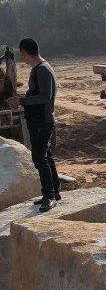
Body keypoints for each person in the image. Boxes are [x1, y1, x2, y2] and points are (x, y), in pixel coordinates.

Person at [18, 38, 61, 212]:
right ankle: (54, 192)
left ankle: (50, 196)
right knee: (46, 156)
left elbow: (45, 96)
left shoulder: (42, 69)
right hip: (39, 120)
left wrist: (21, 101)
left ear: (25, 53)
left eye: (22, 55)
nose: (22, 59)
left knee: (39, 158)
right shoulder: (39, 68)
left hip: (42, 121)